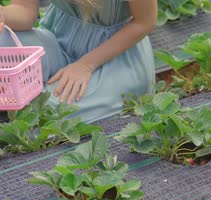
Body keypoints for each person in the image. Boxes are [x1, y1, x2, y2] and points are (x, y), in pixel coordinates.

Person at [0, 0, 156, 123]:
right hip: (59, 39)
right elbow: (25, 10)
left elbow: (144, 22)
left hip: (113, 55)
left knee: (44, 111)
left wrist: (85, 65)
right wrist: (2, 14)